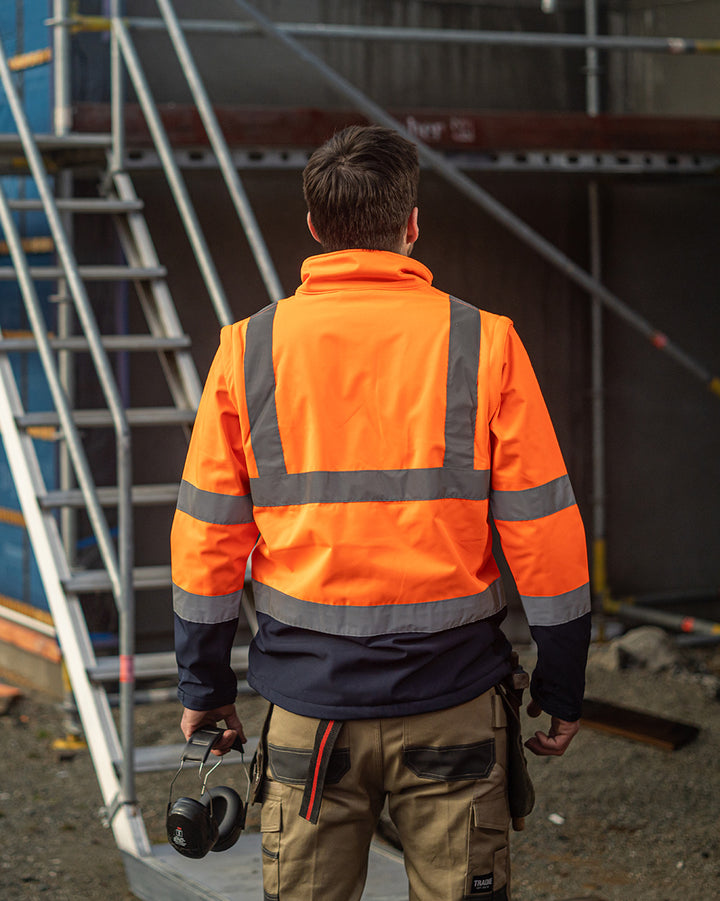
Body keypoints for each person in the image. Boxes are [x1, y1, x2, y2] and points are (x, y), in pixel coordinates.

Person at [171, 124, 591, 900]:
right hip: (455, 703)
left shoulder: (247, 349)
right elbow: (545, 532)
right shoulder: (486, 342)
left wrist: (204, 684)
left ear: (314, 227)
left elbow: (207, 535)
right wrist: (562, 683)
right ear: (412, 223)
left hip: (309, 710)